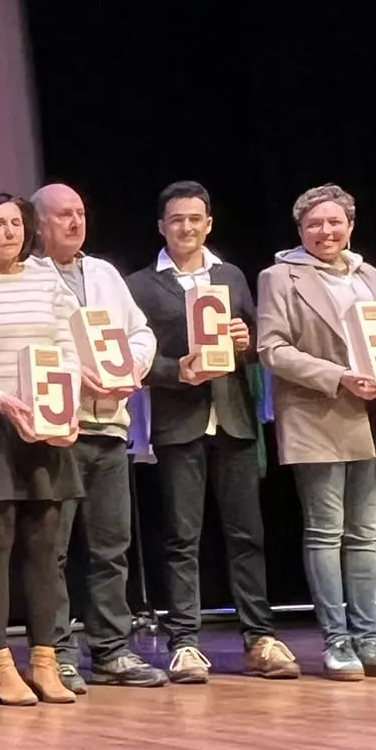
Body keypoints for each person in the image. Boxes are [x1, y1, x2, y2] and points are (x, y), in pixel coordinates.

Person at [127, 181, 300, 684]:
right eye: (176, 219)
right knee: (183, 536)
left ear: (209, 223)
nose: (186, 227)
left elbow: (252, 343)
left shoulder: (230, 275)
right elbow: (135, 357)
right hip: (179, 421)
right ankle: (184, 642)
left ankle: (259, 637)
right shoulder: (140, 285)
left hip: (234, 418)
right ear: (162, 226)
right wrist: (173, 370)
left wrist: (246, 343)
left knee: (248, 533)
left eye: (195, 218)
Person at [258, 185, 376, 681]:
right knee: (326, 532)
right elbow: (272, 348)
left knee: (364, 535)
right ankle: (337, 641)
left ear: (350, 224)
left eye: (334, 223)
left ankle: (369, 639)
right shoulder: (279, 276)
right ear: (299, 230)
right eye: (314, 224)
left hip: (375, 412)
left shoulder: (370, 274)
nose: (325, 232)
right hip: (318, 413)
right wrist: (338, 376)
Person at [33, 184, 167, 690]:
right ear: (38, 224)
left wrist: (130, 367)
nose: (74, 222)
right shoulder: (28, 276)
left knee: (112, 544)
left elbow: (142, 333)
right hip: (58, 429)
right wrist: (73, 375)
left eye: (80, 213)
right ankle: (57, 653)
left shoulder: (106, 273)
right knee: (54, 550)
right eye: (62, 215)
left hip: (110, 426)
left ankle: (111, 650)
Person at [0, 193, 84, 707]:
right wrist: (2, 401)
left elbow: (71, 343)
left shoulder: (46, 279)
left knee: (45, 543)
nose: (9, 232)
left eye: (16, 223)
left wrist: (62, 401)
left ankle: (46, 660)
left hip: (47, 422)